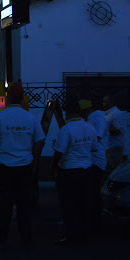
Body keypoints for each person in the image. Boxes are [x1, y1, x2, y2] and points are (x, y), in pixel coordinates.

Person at [0, 84, 45, 250]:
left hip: (4, 165)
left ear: (9, 97)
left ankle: (2, 238)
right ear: (22, 98)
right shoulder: (30, 118)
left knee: (5, 204)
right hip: (24, 166)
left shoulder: (0, 117)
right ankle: (26, 237)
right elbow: (40, 140)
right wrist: (33, 157)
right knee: (23, 204)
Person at [52, 102, 97, 247]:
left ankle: (71, 236)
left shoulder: (66, 129)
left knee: (69, 205)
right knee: (84, 203)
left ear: (70, 113)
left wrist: (53, 168)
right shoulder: (90, 127)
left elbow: (59, 152)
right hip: (87, 170)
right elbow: (94, 148)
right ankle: (85, 235)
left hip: (69, 171)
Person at [79, 99, 108, 235]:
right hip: (92, 160)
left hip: (96, 161)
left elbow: (97, 139)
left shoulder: (98, 120)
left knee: (93, 193)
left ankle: (96, 223)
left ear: (86, 111)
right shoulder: (94, 119)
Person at [103, 94, 125, 171]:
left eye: (106, 101)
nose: (103, 103)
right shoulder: (107, 113)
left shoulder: (116, 113)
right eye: (103, 101)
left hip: (114, 148)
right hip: (108, 147)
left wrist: (103, 128)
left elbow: (118, 131)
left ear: (111, 102)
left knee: (113, 170)